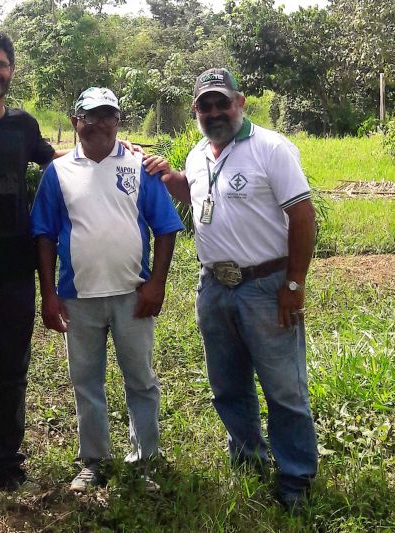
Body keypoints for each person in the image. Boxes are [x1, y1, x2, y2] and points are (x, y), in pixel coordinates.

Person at [0, 32, 168, 520]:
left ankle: (8, 467)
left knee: (13, 376)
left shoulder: (23, 127)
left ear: (11, 71)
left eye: (1, 65)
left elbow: (70, 161)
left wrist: (125, 148)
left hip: (16, 278)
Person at [161, 68, 318, 512]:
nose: (214, 112)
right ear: (195, 111)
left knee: (284, 387)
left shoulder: (271, 148)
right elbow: (195, 196)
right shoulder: (197, 156)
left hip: (266, 285)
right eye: (204, 106)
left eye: (221, 102)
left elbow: (304, 218)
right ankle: (248, 457)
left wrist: (293, 282)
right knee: (227, 383)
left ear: (240, 102)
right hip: (214, 286)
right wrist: (167, 176)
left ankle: (296, 478)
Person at [31, 87, 183, 493]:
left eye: (107, 116)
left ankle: (144, 460)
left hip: (133, 295)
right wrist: (48, 294)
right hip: (78, 298)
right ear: (75, 120)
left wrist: (157, 284)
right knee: (86, 382)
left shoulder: (139, 167)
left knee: (141, 380)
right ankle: (93, 461)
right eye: (89, 116)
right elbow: (43, 235)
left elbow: (166, 228)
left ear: (118, 121)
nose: (98, 124)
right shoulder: (57, 173)